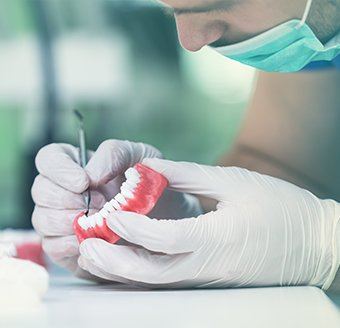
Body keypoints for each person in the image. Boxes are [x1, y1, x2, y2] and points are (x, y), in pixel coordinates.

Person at [32, 0, 340, 289]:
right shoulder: (319, 35)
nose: (190, 41)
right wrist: (181, 220)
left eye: (220, 3)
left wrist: (325, 244)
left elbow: (308, 233)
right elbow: (287, 165)